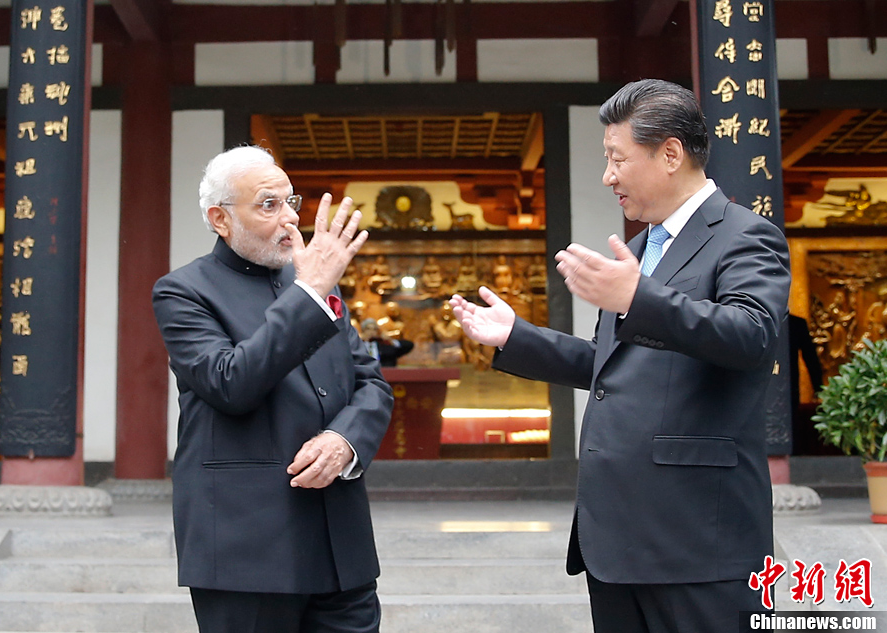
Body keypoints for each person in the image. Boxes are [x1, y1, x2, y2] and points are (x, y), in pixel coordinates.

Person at [450, 79, 791, 632]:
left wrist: (639, 297)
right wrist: (516, 336)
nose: (607, 176)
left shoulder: (745, 237)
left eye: (617, 159)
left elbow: (750, 335)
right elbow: (611, 364)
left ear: (671, 153)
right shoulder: (638, 248)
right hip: (617, 539)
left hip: (698, 540)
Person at [152, 145, 393, 633]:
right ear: (220, 219)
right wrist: (309, 292)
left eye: (291, 202)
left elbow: (370, 383)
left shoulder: (314, 285)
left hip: (339, 542)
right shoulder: (183, 291)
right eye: (268, 205)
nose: (289, 220)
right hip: (247, 545)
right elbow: (231, 383)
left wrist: (346, 441)